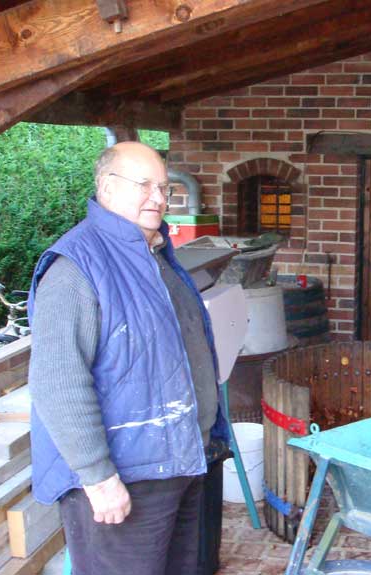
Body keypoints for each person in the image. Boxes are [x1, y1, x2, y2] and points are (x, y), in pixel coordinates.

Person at [27, 141, 228, 575]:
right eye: (144, 185)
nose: (158, 198)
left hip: (180, 461)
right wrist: (98, 478)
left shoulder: (155, 255)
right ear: (106, 187)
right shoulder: (76, 267)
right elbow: (58, 382)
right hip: (126, 480)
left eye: (163, 187)